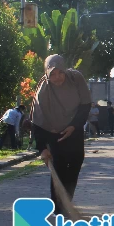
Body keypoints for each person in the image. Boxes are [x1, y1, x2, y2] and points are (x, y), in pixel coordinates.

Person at [31, 54, 91, 215]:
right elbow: (37, 120)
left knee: (76, 161)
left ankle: (67, 201)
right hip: (52, 131)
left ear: (65, 70)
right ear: (47, 74)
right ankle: (58, 207)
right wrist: (42, 148)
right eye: (53, 74)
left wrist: (74, 126)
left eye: (60, 72)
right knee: (60, 166)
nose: (57, 78)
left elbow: (85, 105)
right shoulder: (43, 90)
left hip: (74, 127)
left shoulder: (76, 78)